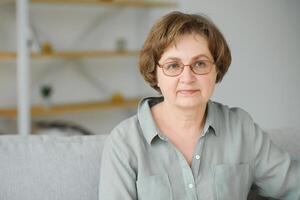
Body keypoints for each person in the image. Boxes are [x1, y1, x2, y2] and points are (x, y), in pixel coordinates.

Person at [99, 11, 300, 200]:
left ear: (216, 70)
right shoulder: (124, 143)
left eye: (200, 63)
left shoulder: (241, 127)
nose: (187, 78)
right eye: (173, 66)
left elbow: (293, 185)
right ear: (155, 74)